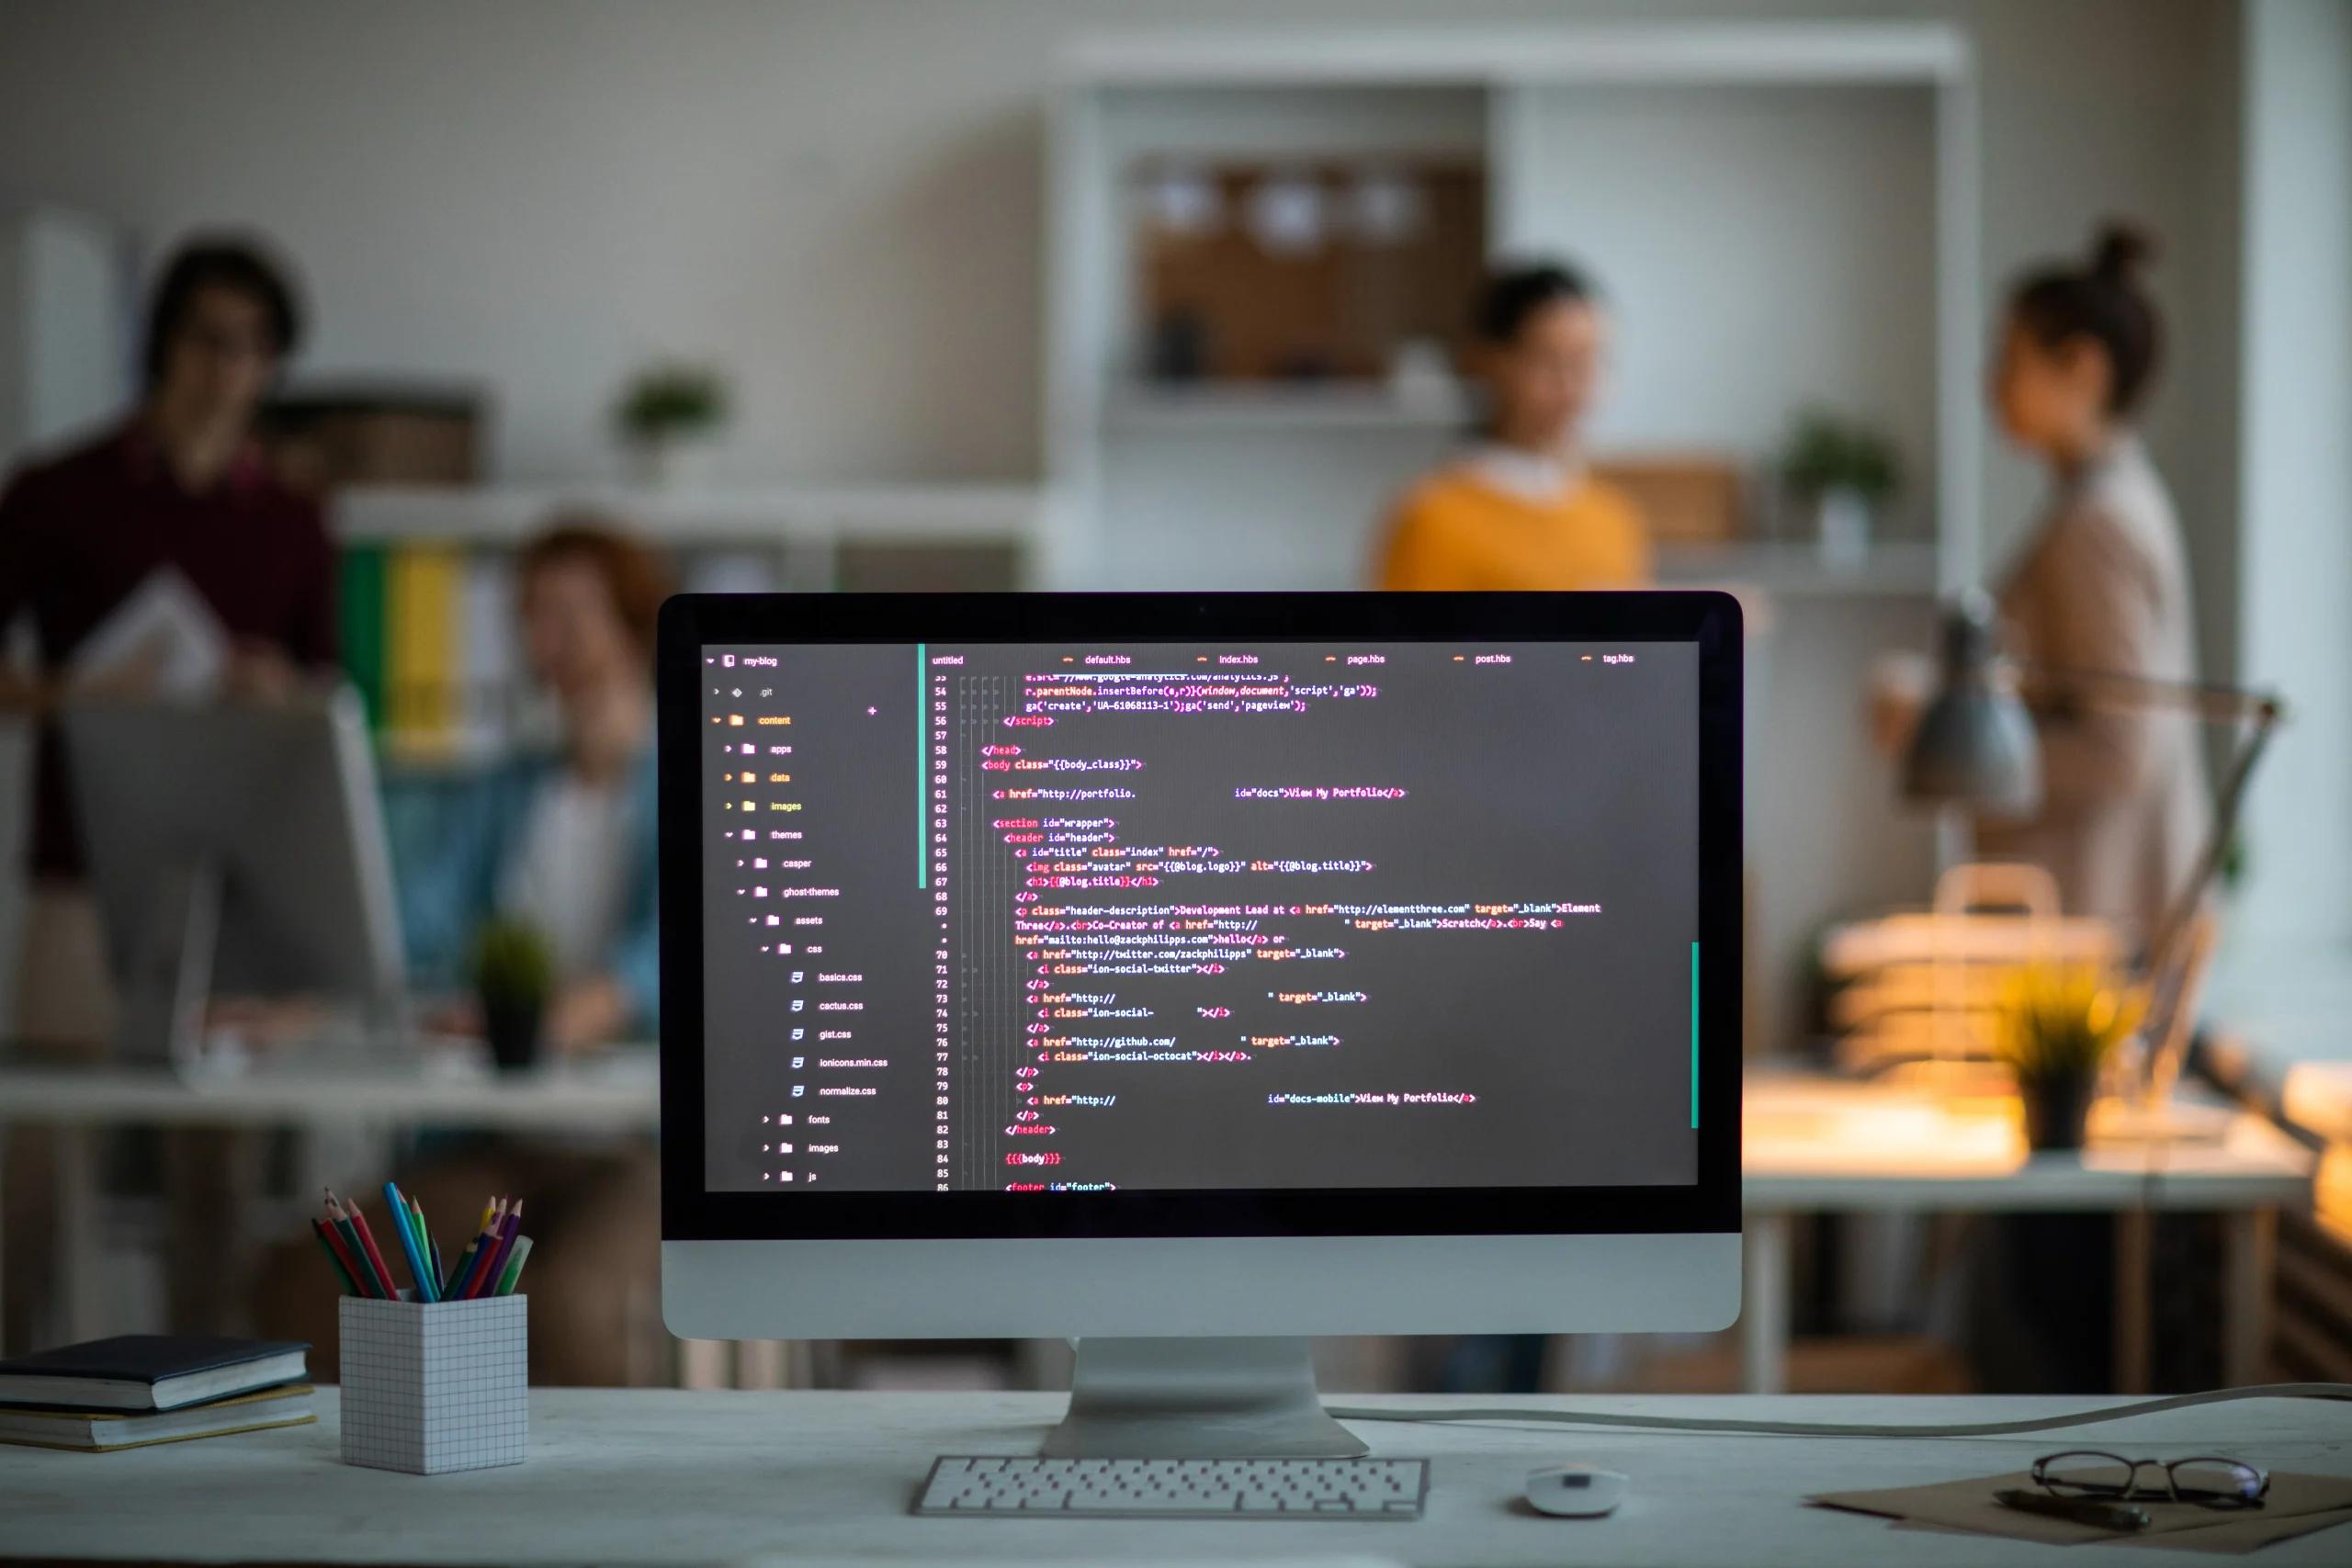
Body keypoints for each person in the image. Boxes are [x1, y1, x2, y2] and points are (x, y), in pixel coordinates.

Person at [0, 234, 336, 1048]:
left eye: (254, 344)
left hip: (233, 873)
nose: (229, 366)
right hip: (81, 864)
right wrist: (78, 695)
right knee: (54, 1127)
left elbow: (330, 696)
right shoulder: (59, 492)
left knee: (221, 1143)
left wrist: (278, 690)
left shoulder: (294, 519)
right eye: (209, 338)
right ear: (163, 341)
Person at [1973, 222, 2209, 944]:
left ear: (2081, 368)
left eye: (2010, 361)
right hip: (2109, 903)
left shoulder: (2096, 525)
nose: (1992, 385)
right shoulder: (2109, 500)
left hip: (2100, 912)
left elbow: (2119, 749)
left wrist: (1951, 733)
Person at [397, 520, 665, 1046]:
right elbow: (425, 918)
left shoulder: (700, 788)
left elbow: (689, 945)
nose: (548, 641)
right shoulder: (501, 790)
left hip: (638, 1103)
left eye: (570, 614)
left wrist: (591, 1007)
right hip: (502, 1096)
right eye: (533, 616)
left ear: (630, 623)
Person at [1375, 261, 1650, 591]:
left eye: (1586, 362)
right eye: (1549, 360)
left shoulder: (1613, 519)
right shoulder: (1434, 520)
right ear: (1488, 362)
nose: (1571, 387)